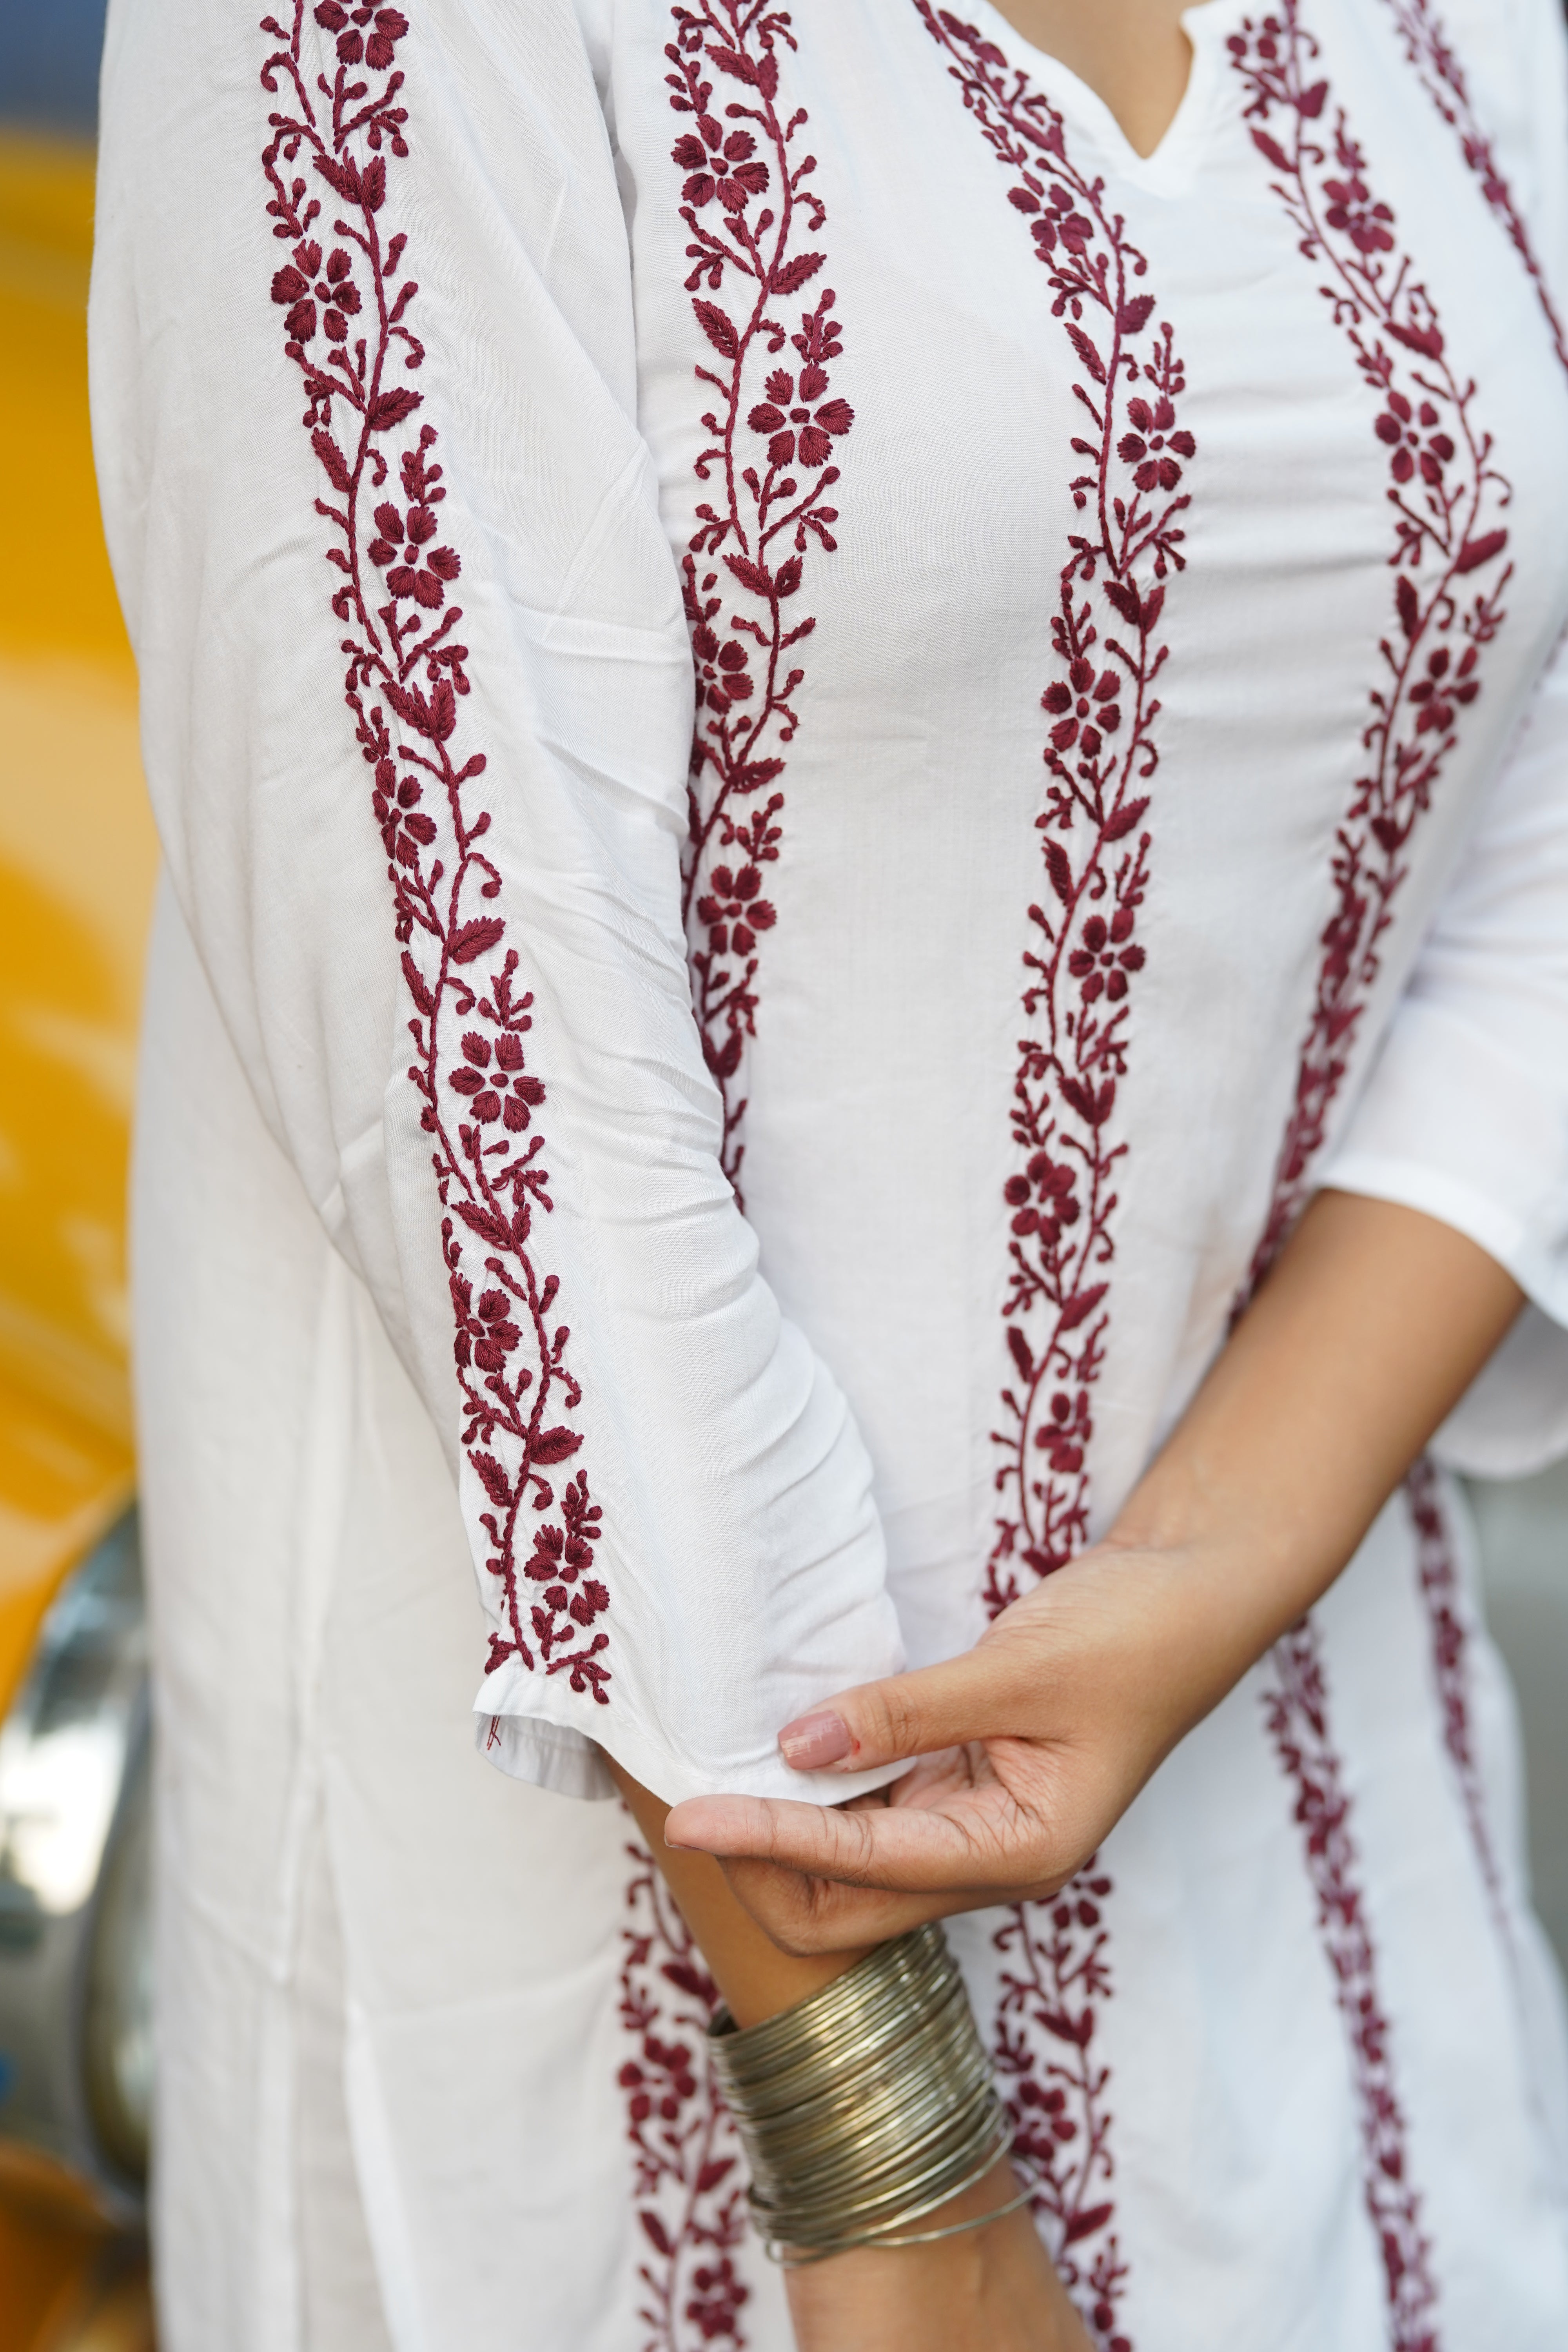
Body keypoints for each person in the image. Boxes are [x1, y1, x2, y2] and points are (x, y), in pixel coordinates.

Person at [88, 0, 1568, 2344]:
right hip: (660, 2015)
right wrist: (907, 2191)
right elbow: (490, 1037)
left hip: (1307, 1826)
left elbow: (1544, 849)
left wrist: (1213, 1566)